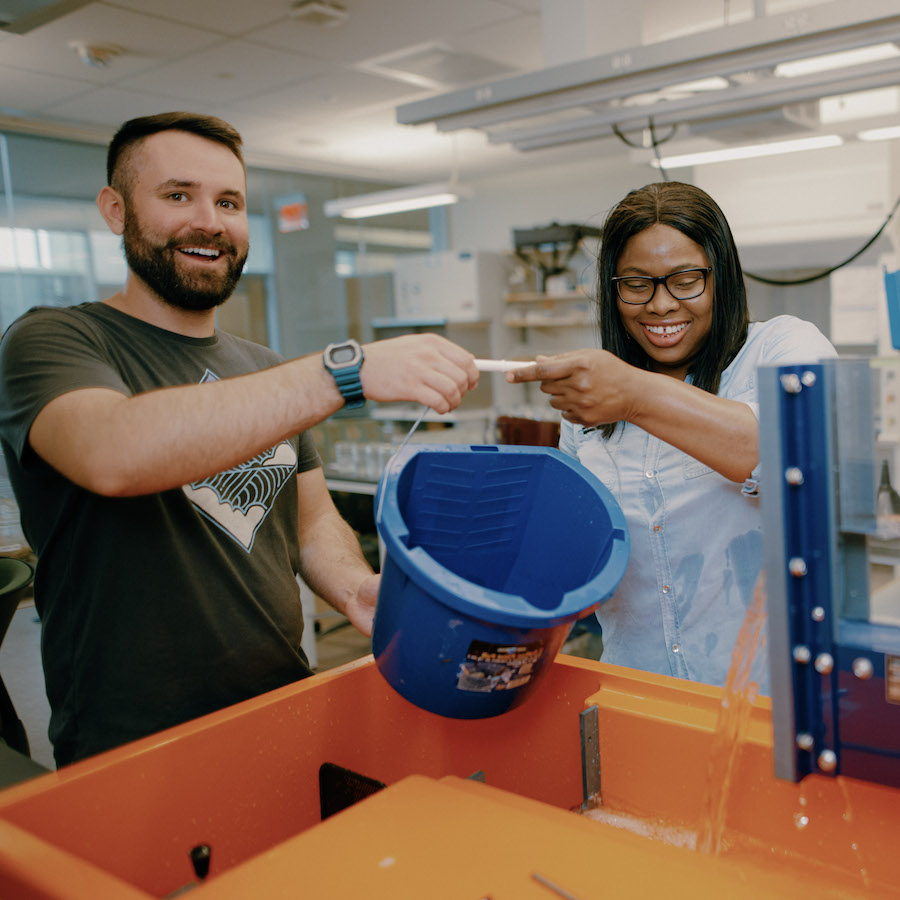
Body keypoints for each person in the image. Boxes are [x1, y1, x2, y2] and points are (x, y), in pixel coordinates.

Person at [0, 112, 479, 766]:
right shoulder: (55, 340)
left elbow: (310, 523)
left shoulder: (263, 368)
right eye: (178, 196)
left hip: (280, 705)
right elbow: (113, 453)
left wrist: (354, 587)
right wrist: (346, 370)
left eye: (229, 202)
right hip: (134, 741)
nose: (210, 220)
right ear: (116, 211)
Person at [509, 181, 837, 691]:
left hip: (771, 701)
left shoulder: (783, 348)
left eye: (686, 280)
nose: (661, 306)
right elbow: (578, 549)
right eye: (637, 284)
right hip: (640, 693)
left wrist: (636, 396)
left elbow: (781, 452)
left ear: (721, 276)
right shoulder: (590, 407)